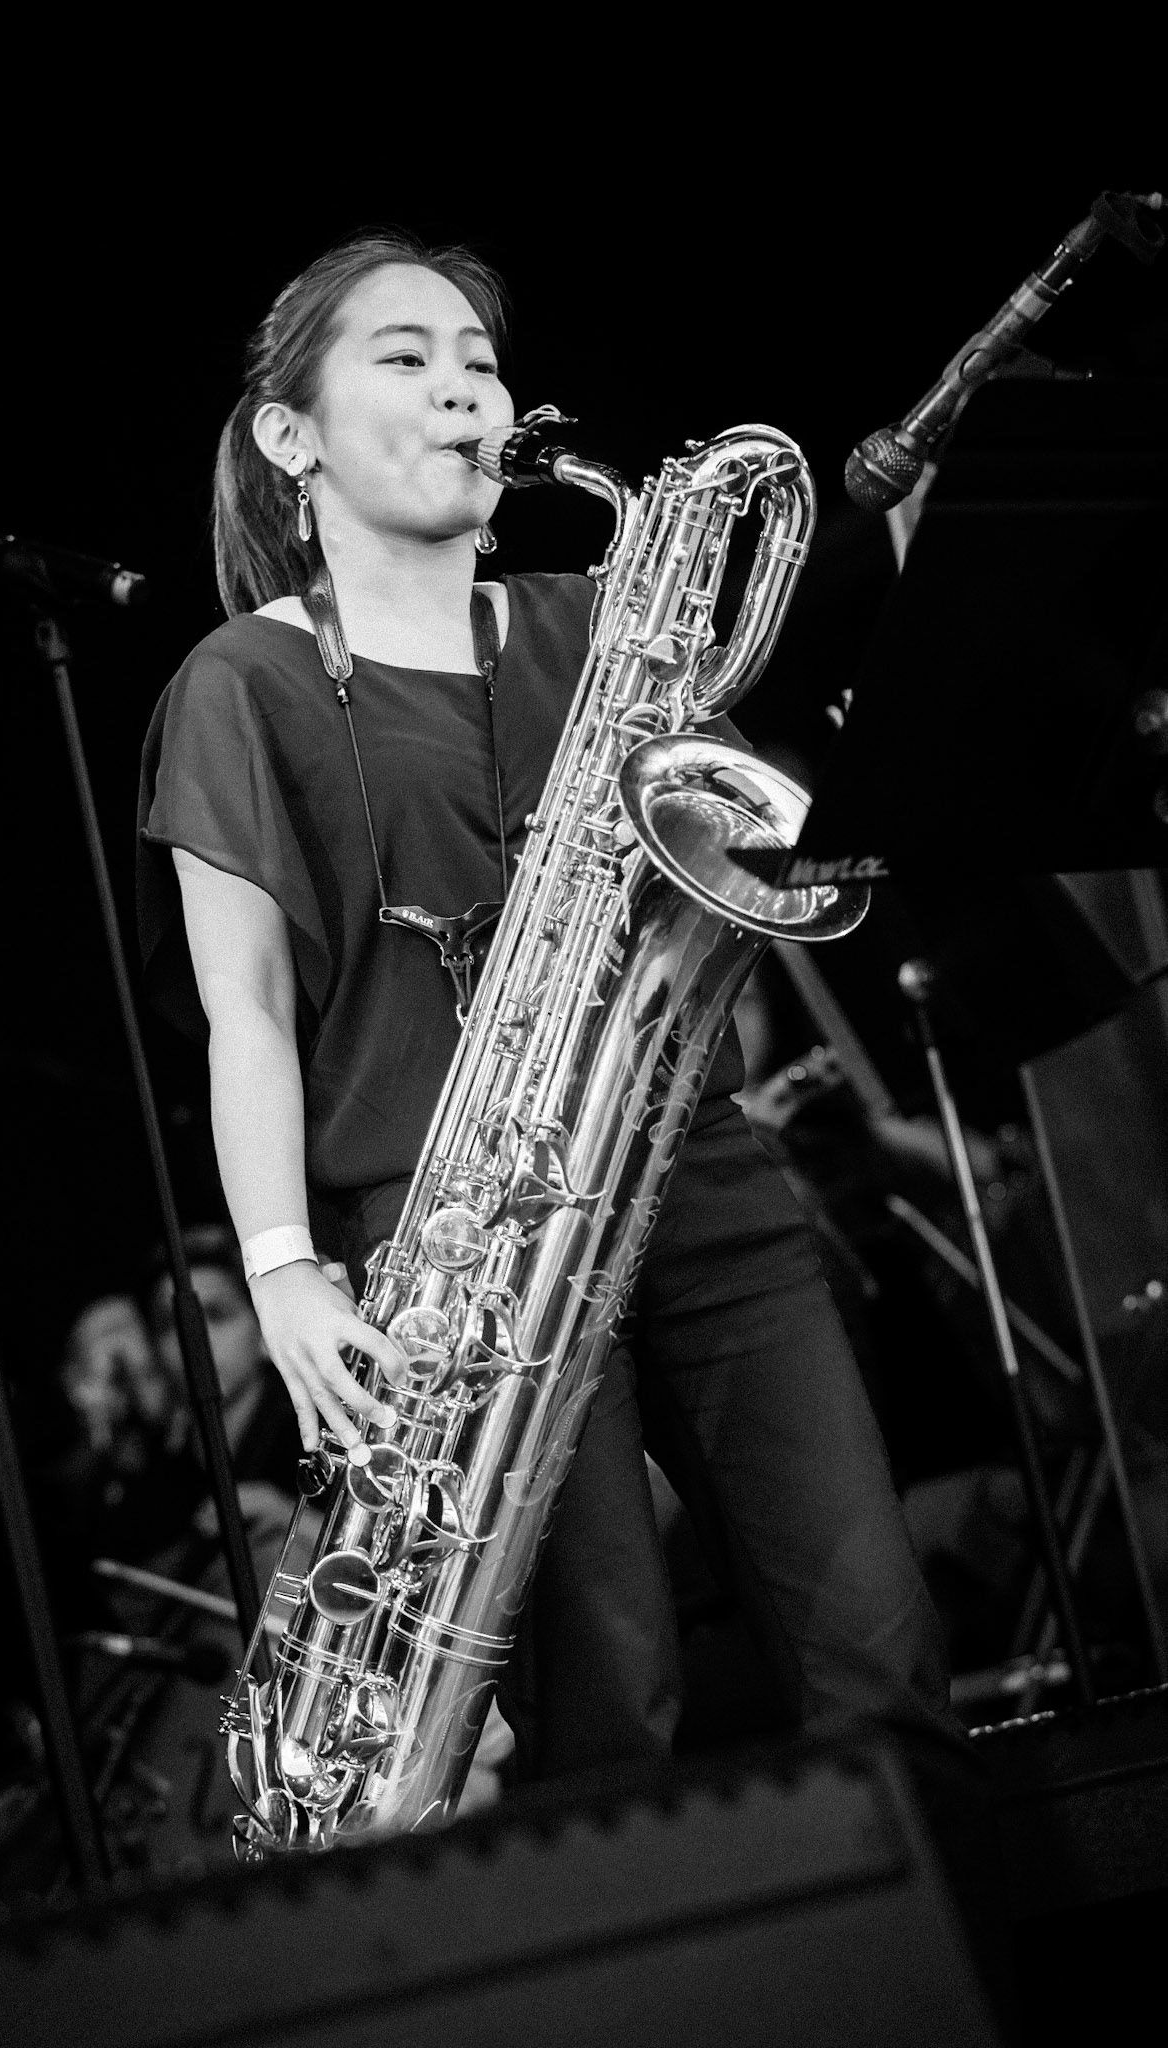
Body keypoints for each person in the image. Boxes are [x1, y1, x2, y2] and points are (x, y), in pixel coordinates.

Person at [135, 229, 964, 1789]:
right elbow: (238, 1010)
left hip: (691, 1170)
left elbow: (740, 854)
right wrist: (282, 1273)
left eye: (479, 361)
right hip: (457, 1238)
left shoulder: (597, 623)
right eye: (406, 358)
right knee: (611, 1712)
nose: (463, 389)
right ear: (287, 437)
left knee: (880, 1650)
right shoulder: (239, 681)